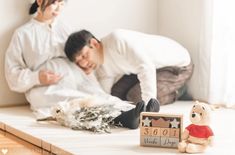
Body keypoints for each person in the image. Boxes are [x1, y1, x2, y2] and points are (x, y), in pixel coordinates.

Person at [5, 0, 146, 129]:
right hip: (44, 87)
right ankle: (121, 117)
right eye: (54, 3)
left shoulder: (65, 27)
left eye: (61, 3)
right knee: (76, 101)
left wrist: (85, 67)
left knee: (98, 94)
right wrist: (37, 78)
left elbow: (78, 53)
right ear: (40, 1)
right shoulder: (22, 34)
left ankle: (132, 111)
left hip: (73, 75)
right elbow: (12, 73)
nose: (58, 8)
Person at [64, 29, 193, 110]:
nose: (85, 63)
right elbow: (106, 96)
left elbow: (146, 66)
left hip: (177, 66)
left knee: (136, 98)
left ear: (94, 44)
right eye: (79, 62)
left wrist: (150, 104)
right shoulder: (100, 69)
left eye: (85, 56)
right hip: (141, 69)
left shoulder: (117, 39)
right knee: (118, 95)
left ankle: (177, 92)